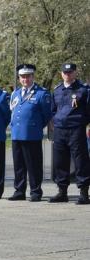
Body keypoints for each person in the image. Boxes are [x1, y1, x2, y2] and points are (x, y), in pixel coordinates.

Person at [8, 64, 53, 202]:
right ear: (19, 78)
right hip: (16, 134)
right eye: (23, 77)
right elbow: (13, 112)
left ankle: (35, 191)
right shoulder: (15, 93)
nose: (25, 79)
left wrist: (35, 126)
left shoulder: (41, 93)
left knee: (33, 165)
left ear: (33, 77)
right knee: (19, 165)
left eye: (28, 76)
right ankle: (19, 191)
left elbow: (47, 115)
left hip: (31, 134)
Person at [49, 63, 90, 204]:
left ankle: (84, 192)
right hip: (60, 130)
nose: (67, 75)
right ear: (61, 74)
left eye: (70, 72)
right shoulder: (57, 90)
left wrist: (81, 123)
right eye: (65, 72)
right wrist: (56, 121)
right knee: (60, 161)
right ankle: (62, 192)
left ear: (75, 73)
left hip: (76, 130)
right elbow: (53, 110)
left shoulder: (83, 90)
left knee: (80, 161)